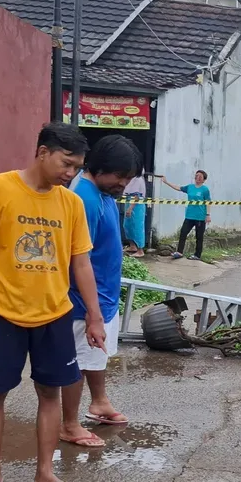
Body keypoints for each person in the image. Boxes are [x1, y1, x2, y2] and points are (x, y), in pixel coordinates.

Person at [0, 122, 105, 482]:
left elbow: (82, 263)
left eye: (77, 167)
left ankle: (45, 472)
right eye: (66, 163)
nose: (71, 173)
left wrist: (94, 316)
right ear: (42, 152)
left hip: (55, 313)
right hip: (0, 312)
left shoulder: (71, 203)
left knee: (50, 393)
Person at [61, 135, 142, 448]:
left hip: (102, 297)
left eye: (129, 178)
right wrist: (92, 311)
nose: (123, 184)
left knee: (96, 357)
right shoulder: (84, 199)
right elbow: (76, 261)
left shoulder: (102, 193)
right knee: (78, 364)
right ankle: (69, 424)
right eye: (120, 177)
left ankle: (99, 402)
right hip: (84, 304)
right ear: (99, 168)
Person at [161, 170, 210, 260]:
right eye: (196, 176)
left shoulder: (205, 189)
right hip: (189, 216)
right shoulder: (190, 187)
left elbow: (208, 202)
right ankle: (179, 252)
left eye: (200, 176)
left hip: (200, 216)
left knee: (199, 236)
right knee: (183, 233)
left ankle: (197, 255)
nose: (197, 178)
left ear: (204, 179)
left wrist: (207, 215)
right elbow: (178, 188)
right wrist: (166, 182)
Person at [122, 172, 147, 258]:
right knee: (127, 225)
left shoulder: (138, 179)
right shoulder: (131, 178)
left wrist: (130, 208)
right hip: (129, 201)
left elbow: (137, 196)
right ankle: (132, 246)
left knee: (137, 227)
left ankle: (140, 250)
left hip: (136, 205)